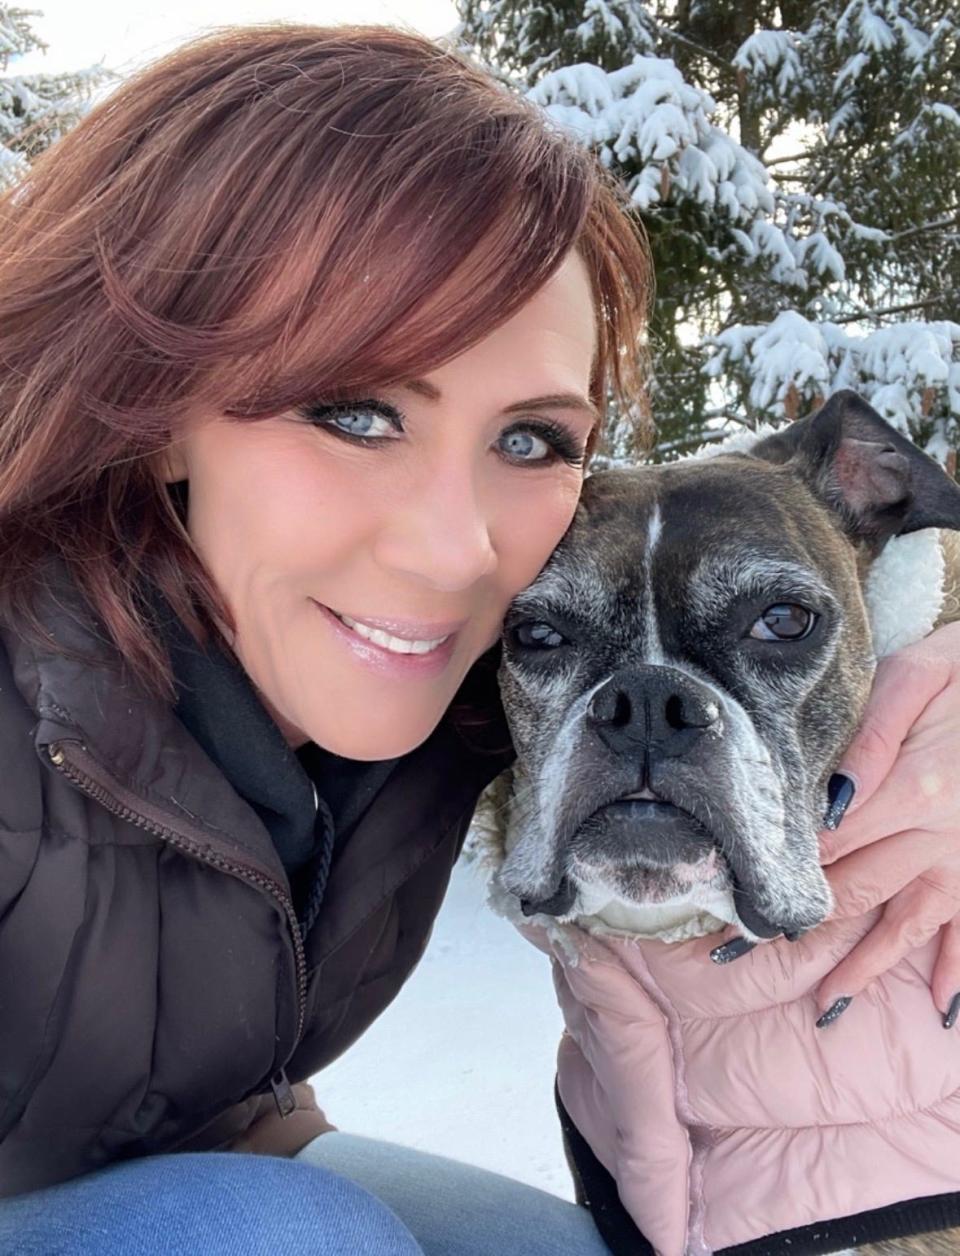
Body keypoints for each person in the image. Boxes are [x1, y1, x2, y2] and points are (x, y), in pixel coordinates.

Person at [0, 17, 958, 1256]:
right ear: (154, 406)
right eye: (353, 410)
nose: (456, 548)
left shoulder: (452, 681)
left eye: (531, 439)